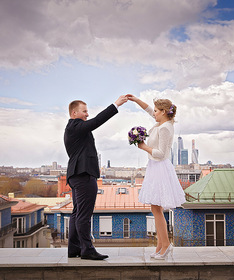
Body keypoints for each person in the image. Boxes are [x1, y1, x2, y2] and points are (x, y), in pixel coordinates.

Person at [64, 96, 128, 260]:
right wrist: (115, 105)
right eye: (84, 111)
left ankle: (74, 249)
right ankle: (87, 250)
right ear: (74, 112)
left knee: (77, 213)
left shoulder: (73, 128)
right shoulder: (76, 126)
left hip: (76, 175)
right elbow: (97, 121)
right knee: (83, 215)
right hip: (83, 175)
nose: (87, 114)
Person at [127, 95, 186, 260]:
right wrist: (136, 100)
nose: (153, 113)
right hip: (155, 168)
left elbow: (161, 153)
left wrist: (144, 146)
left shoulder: (165, 128)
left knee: (157, 209)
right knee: (155, 209)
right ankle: (161, 244)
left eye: (156, 111)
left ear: (163, 112)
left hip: (159, 168)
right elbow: (147, 109)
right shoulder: (163, 123)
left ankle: (166, 245)